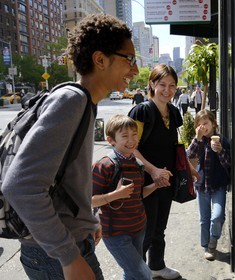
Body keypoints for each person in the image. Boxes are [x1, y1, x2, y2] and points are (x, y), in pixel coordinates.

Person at [1, 13, 139, 279]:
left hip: (66, 244)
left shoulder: (84, 103)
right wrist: (68, 255)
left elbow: (67, 179)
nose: (134, 70)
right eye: (129, 59)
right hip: (54, 254)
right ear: (100, 60)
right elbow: (21, 185)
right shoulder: (72, 101)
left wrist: (87, 220)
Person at [128, 64, 199, 279]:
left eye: (172, 86)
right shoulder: (142, 111)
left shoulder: (174, 112)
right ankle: (136, 273)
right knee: (145, 231)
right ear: (152, 84)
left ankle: (156, 266)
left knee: (160, 228)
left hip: (167, 179)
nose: (167, 90)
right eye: (162, 85)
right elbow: (130, 147)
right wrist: (153, 170)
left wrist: (188, 167)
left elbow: (175, 145)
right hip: (146, 180)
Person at [92, 114, 164, 280]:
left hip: (138, 227)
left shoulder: (137, 163)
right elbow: (90, 199)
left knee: (131, 274)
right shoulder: (104, 165)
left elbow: (138, 195)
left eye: (134, 135)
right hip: (116, 233)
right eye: (125, 136)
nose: (131, 140)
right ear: (111, 140)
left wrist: (156, 185)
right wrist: (116, 194)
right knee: (143, 274)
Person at [186, 110, 231, 261]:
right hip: (201, 185)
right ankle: (207, 247)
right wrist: (197, 138)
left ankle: (213, 240)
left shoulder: (222, 141)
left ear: (213, 123)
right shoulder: (198, 141)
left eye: (206, 123)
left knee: (217, 216)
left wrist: (219, 151)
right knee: (204, 218)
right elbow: (189, 157)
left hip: (218, 185)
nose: (203, 127)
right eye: (200, 124)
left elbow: (228, 164)